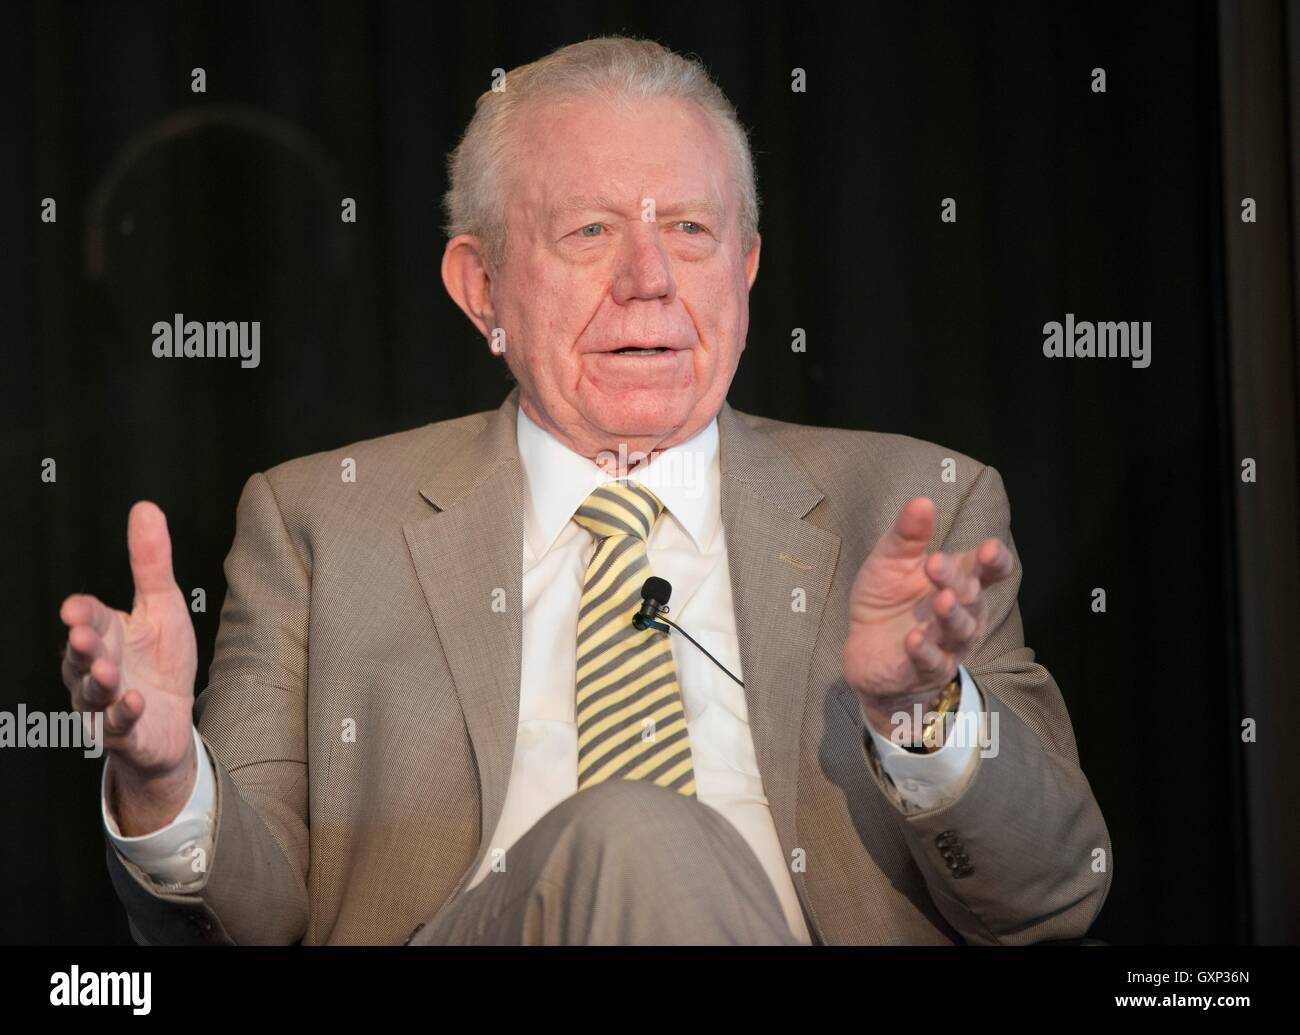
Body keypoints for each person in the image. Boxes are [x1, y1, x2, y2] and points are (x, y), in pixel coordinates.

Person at [59, 36, 1111, 945]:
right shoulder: (319, 523)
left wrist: (923, 717)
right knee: (635, 830)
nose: (649, 278)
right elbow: (246, 921)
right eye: (591, 231)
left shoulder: (918, 506)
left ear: (745, 269)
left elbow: (1053, 901)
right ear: (482, 288)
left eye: (691, 232)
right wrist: (165, 782)